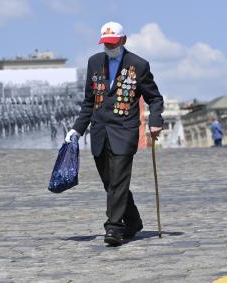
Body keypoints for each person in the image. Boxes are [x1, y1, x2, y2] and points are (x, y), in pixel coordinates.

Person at [65, 22, 164, 246]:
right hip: (100, 132)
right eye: (105, 44)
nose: (109, 48)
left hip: (124, 131)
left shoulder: (138, 65)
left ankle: (114, 228)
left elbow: (155, 98)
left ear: (124, 40)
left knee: (119, 179)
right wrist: (76, 130)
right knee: (110, 183)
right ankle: (133, 221)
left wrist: (155, 121)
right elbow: (89, 101)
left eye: (113, 44)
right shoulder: (94, 62)